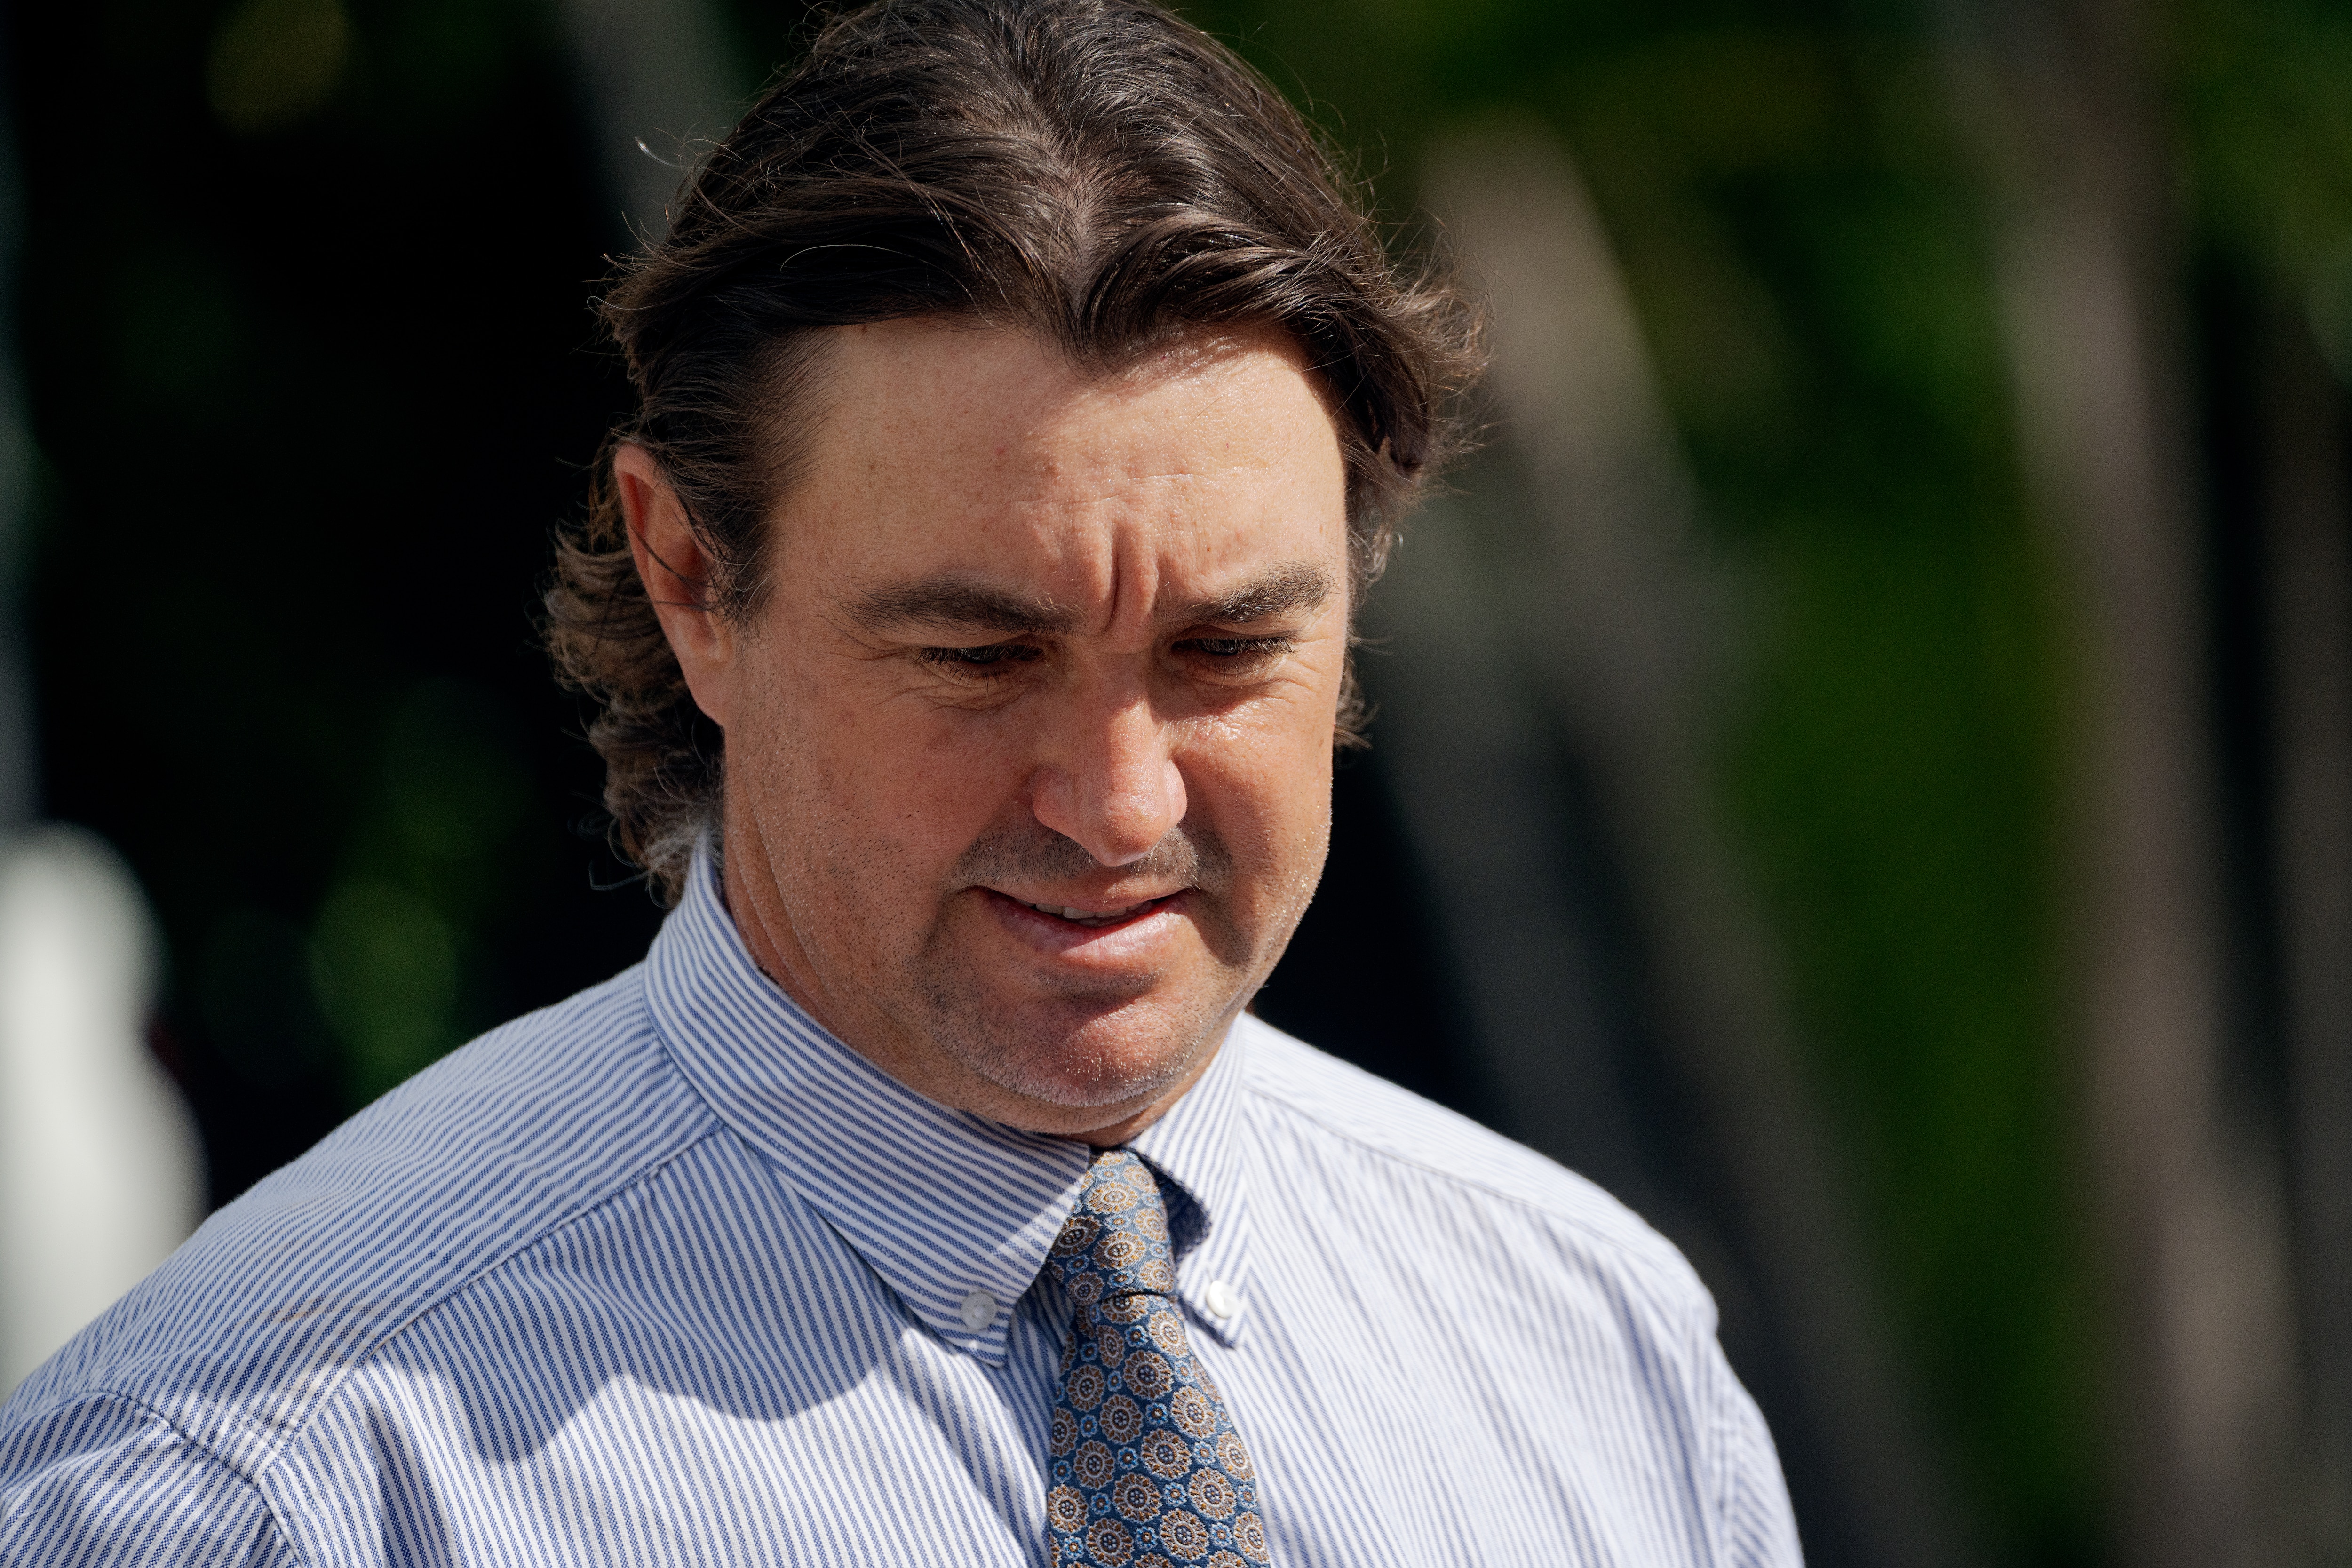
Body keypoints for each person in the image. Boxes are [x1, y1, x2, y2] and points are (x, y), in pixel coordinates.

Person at [0, 0, 1803, 1562]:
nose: (1119, 807)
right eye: (979, 656)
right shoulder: (271, 1490)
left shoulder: (1594, 1351)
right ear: (692, 577)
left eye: (1225, 655)